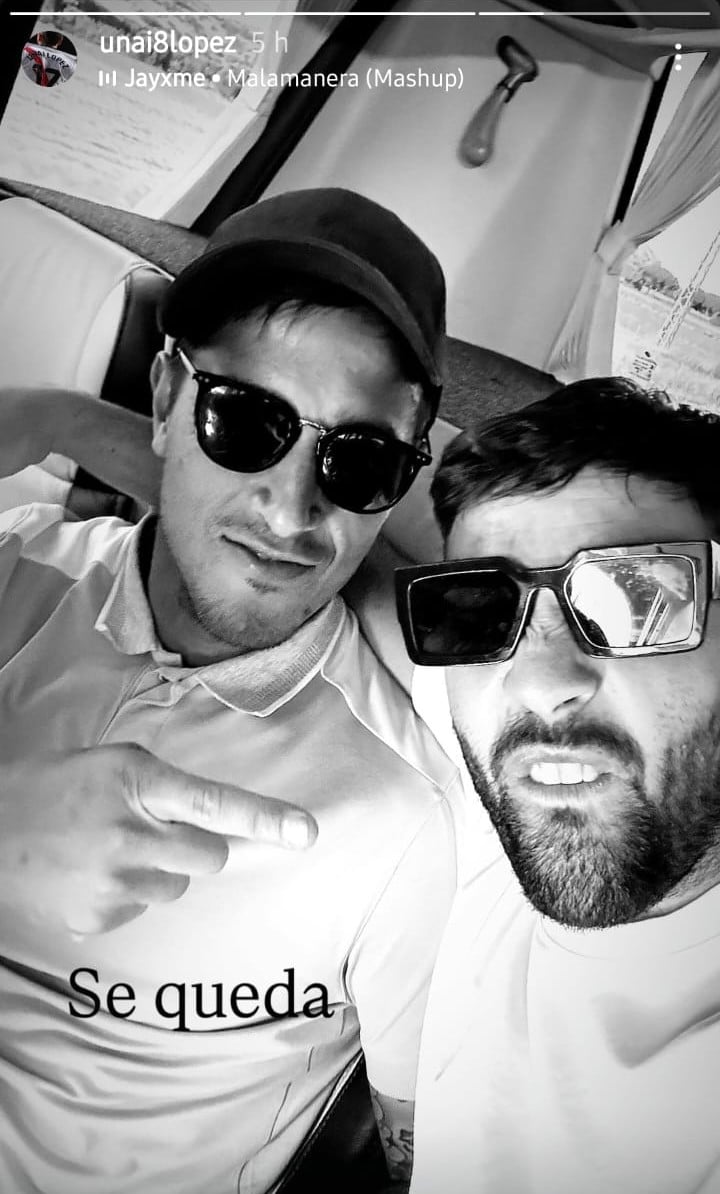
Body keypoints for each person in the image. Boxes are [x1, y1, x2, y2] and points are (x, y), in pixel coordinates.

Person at [0, 188, 460, 1194]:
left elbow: (422, 1149)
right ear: (167, 400)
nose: (291, 512)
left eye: (360, 462)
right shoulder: (13, 575)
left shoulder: (407, 814)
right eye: (244, 421)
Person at [394, 378, 720, 1194]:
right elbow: (293, 547)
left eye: (637, 600)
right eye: (478, 610)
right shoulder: (487, 787)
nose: (540, 684)